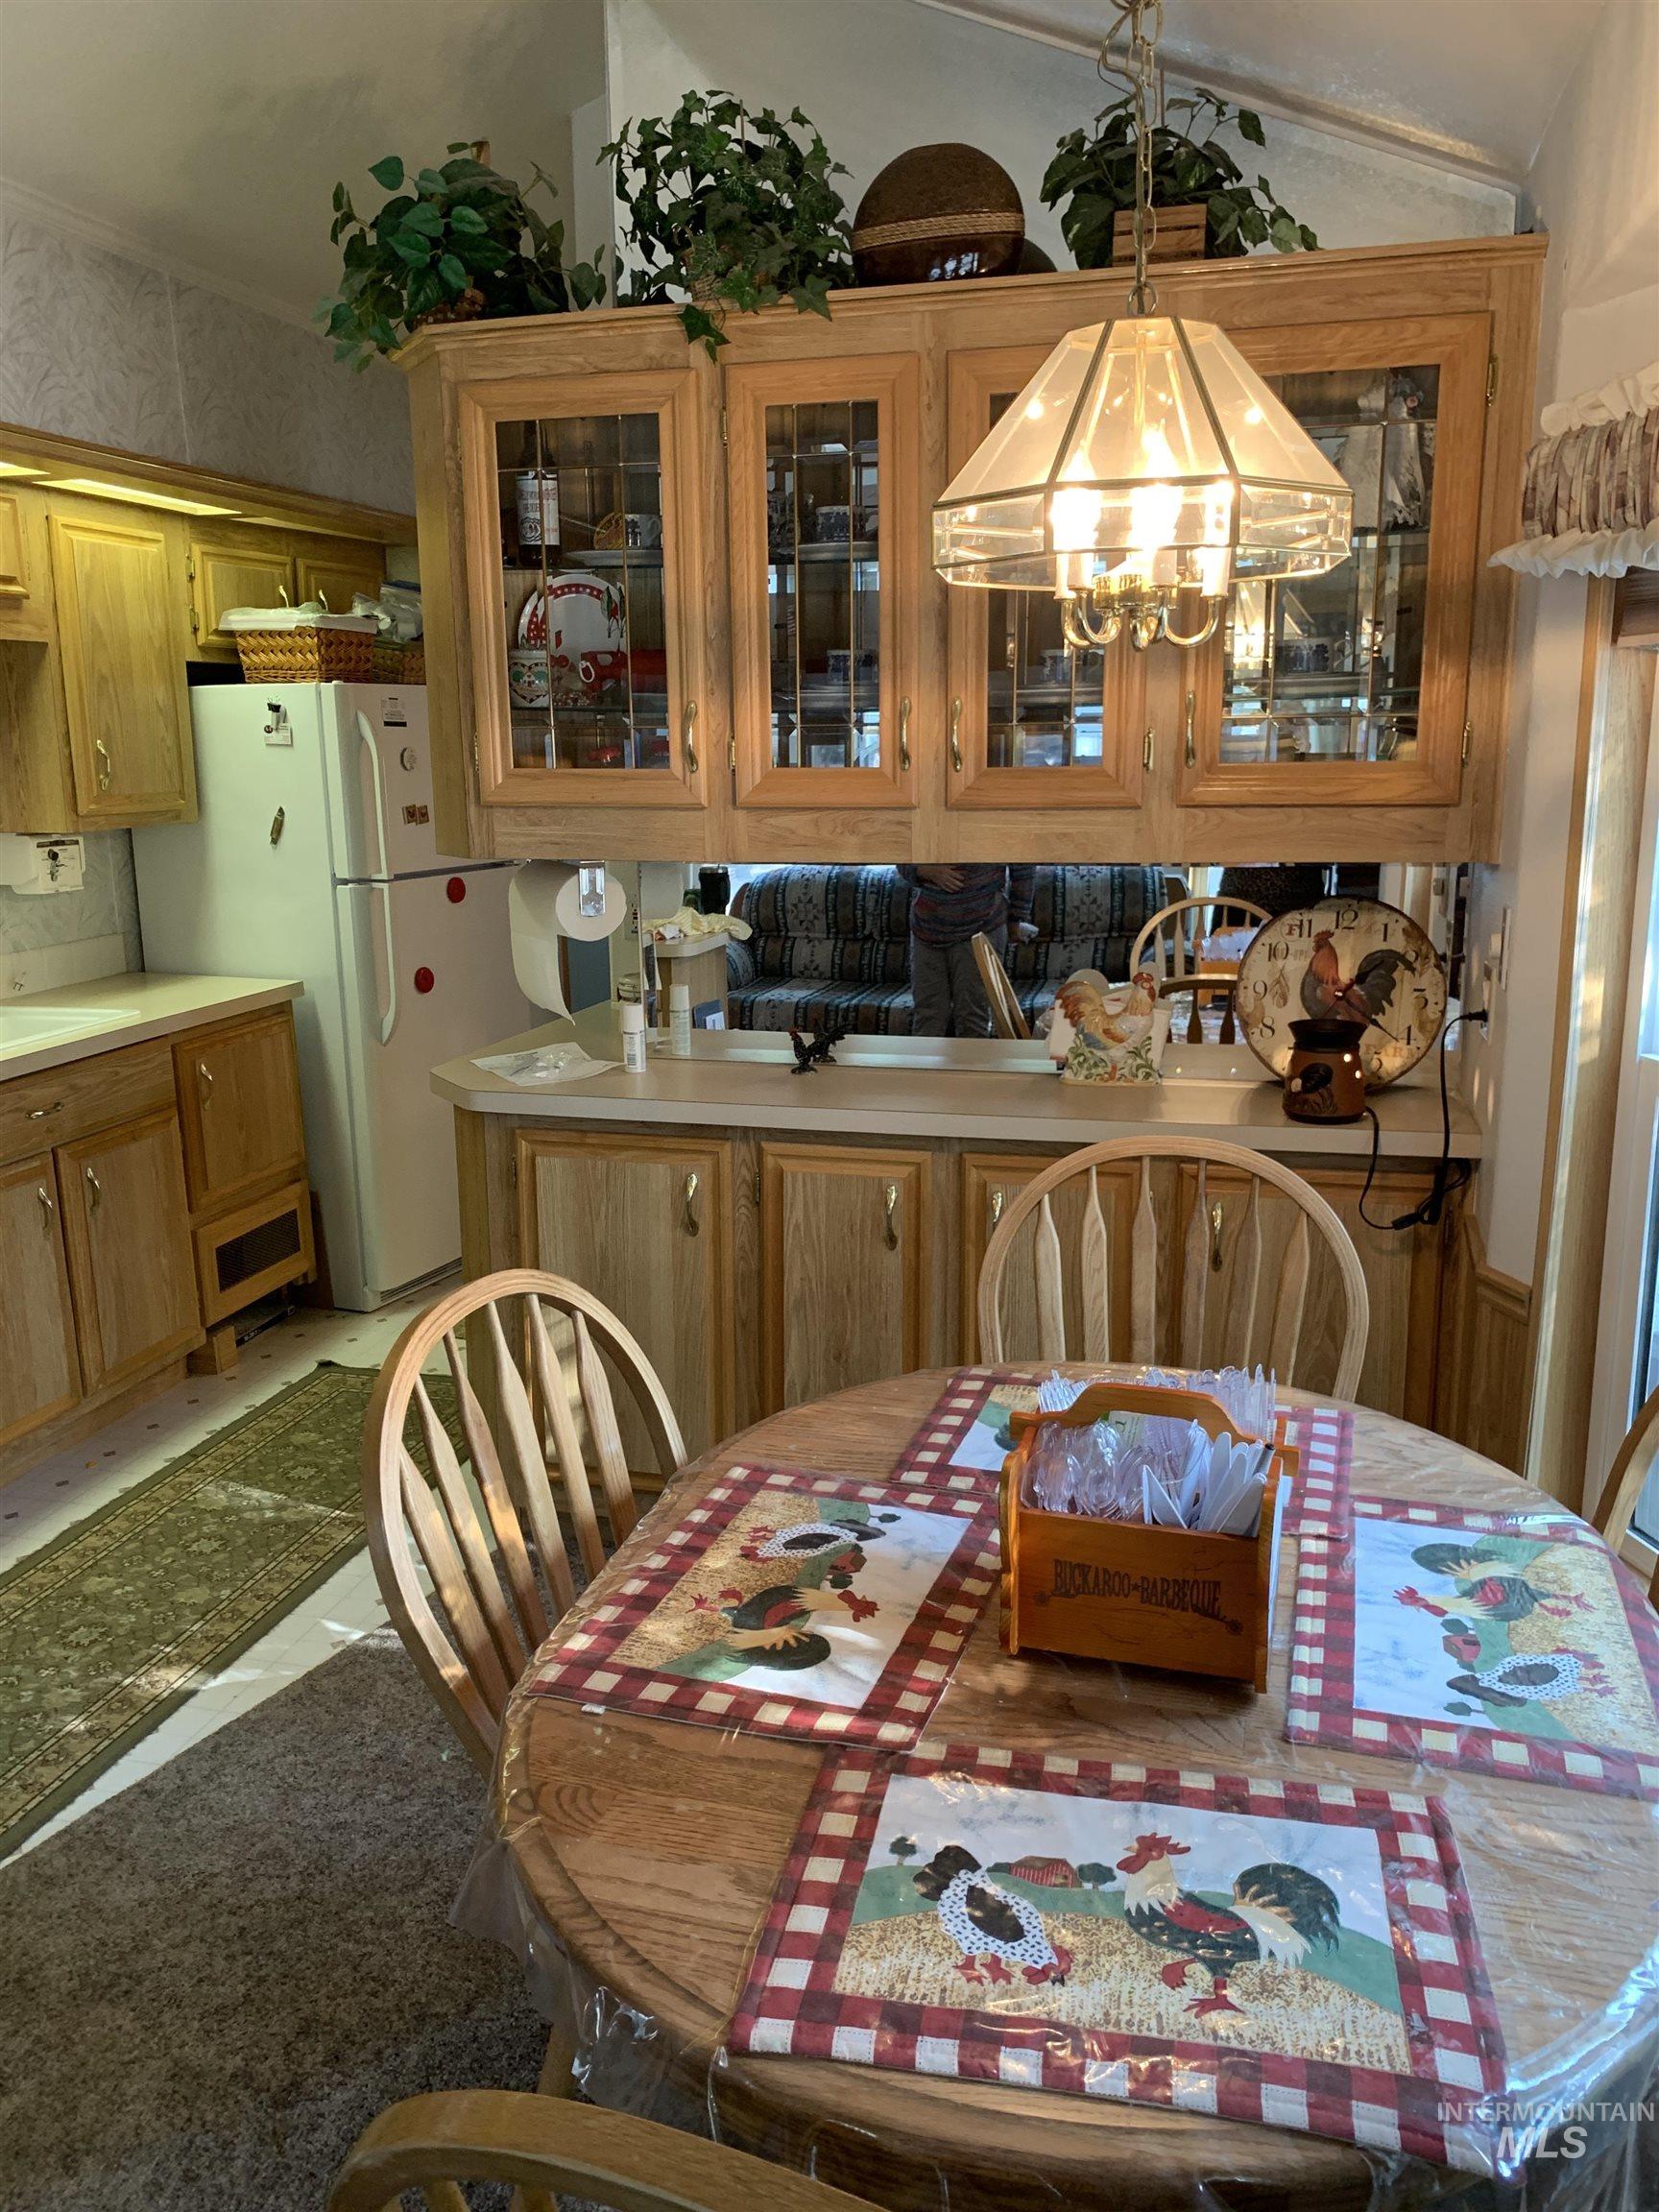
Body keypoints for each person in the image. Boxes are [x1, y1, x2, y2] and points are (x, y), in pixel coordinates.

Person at [897, 865, 1037, 1037]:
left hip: (982, 927)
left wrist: (1016, 917)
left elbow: (1023, 866)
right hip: (927, 929)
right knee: (927, 1018)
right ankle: (925, 1064)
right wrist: (925, 871)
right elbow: (901, 858)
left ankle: (972, 1064)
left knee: (973, 1018)